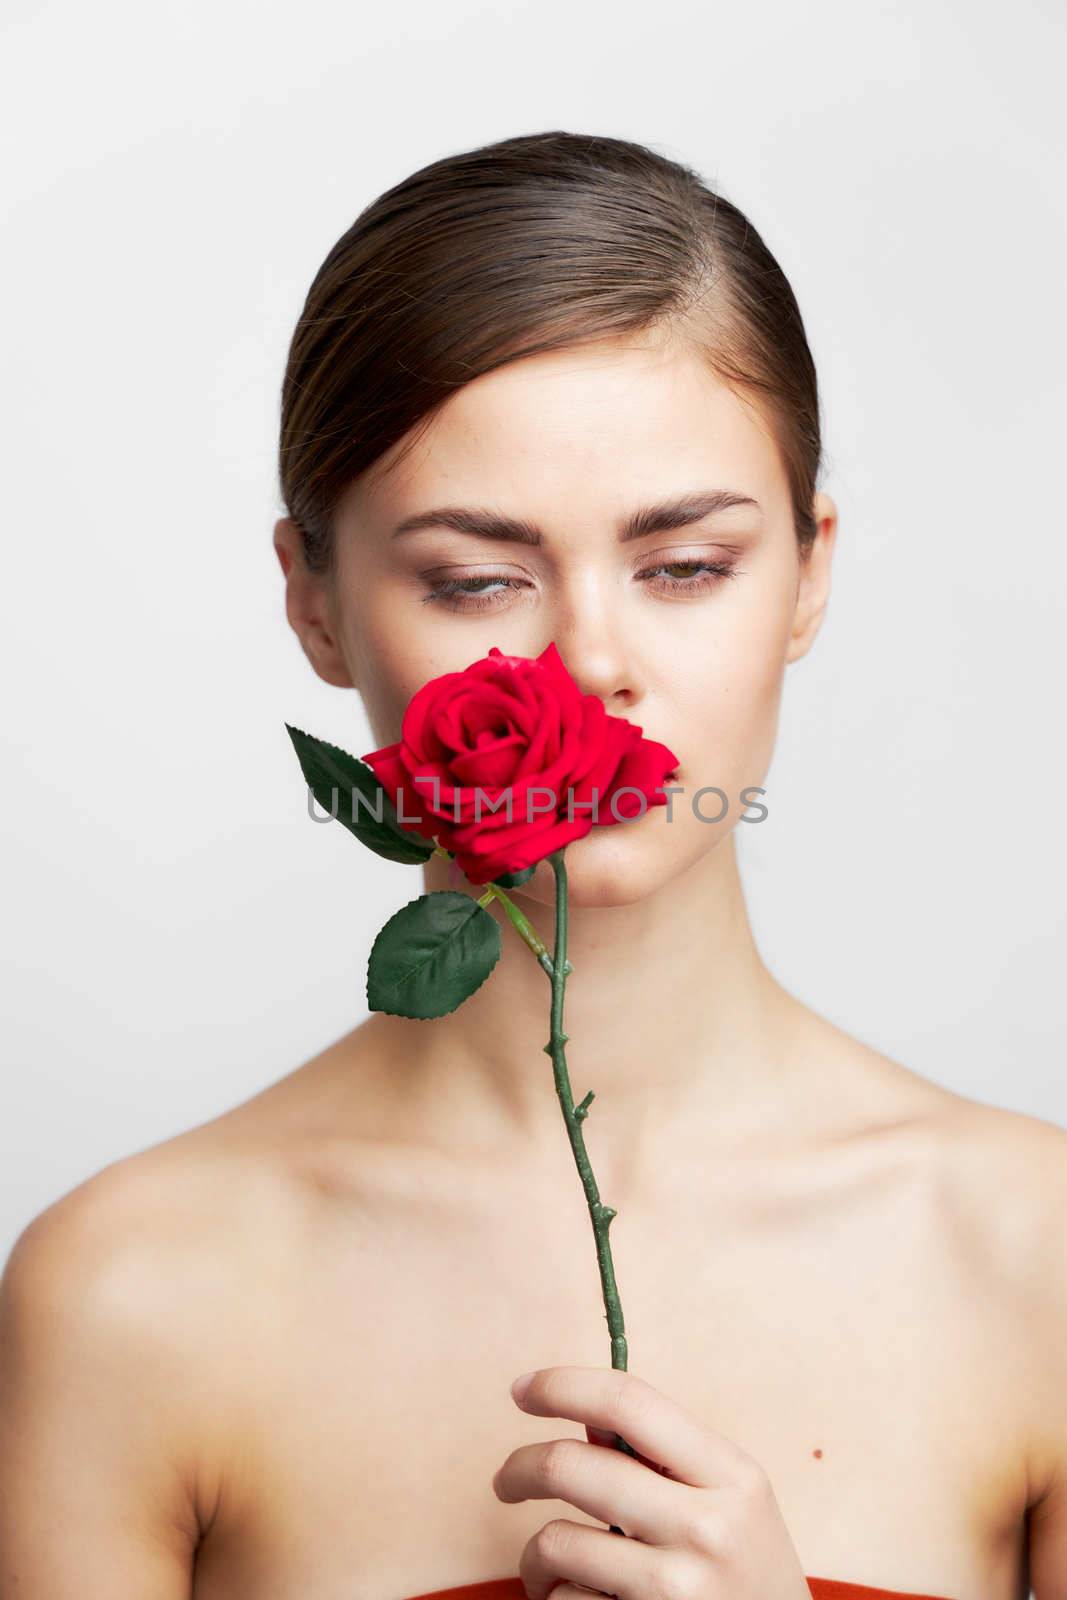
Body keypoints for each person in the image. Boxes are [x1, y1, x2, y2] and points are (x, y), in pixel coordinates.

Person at [1, 129, 1064, 1600]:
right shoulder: (128, 1294)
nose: (592, 663)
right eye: (475, 578)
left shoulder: (1036, 1261)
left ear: (810, 570)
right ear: (314, 604)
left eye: (686, 564)